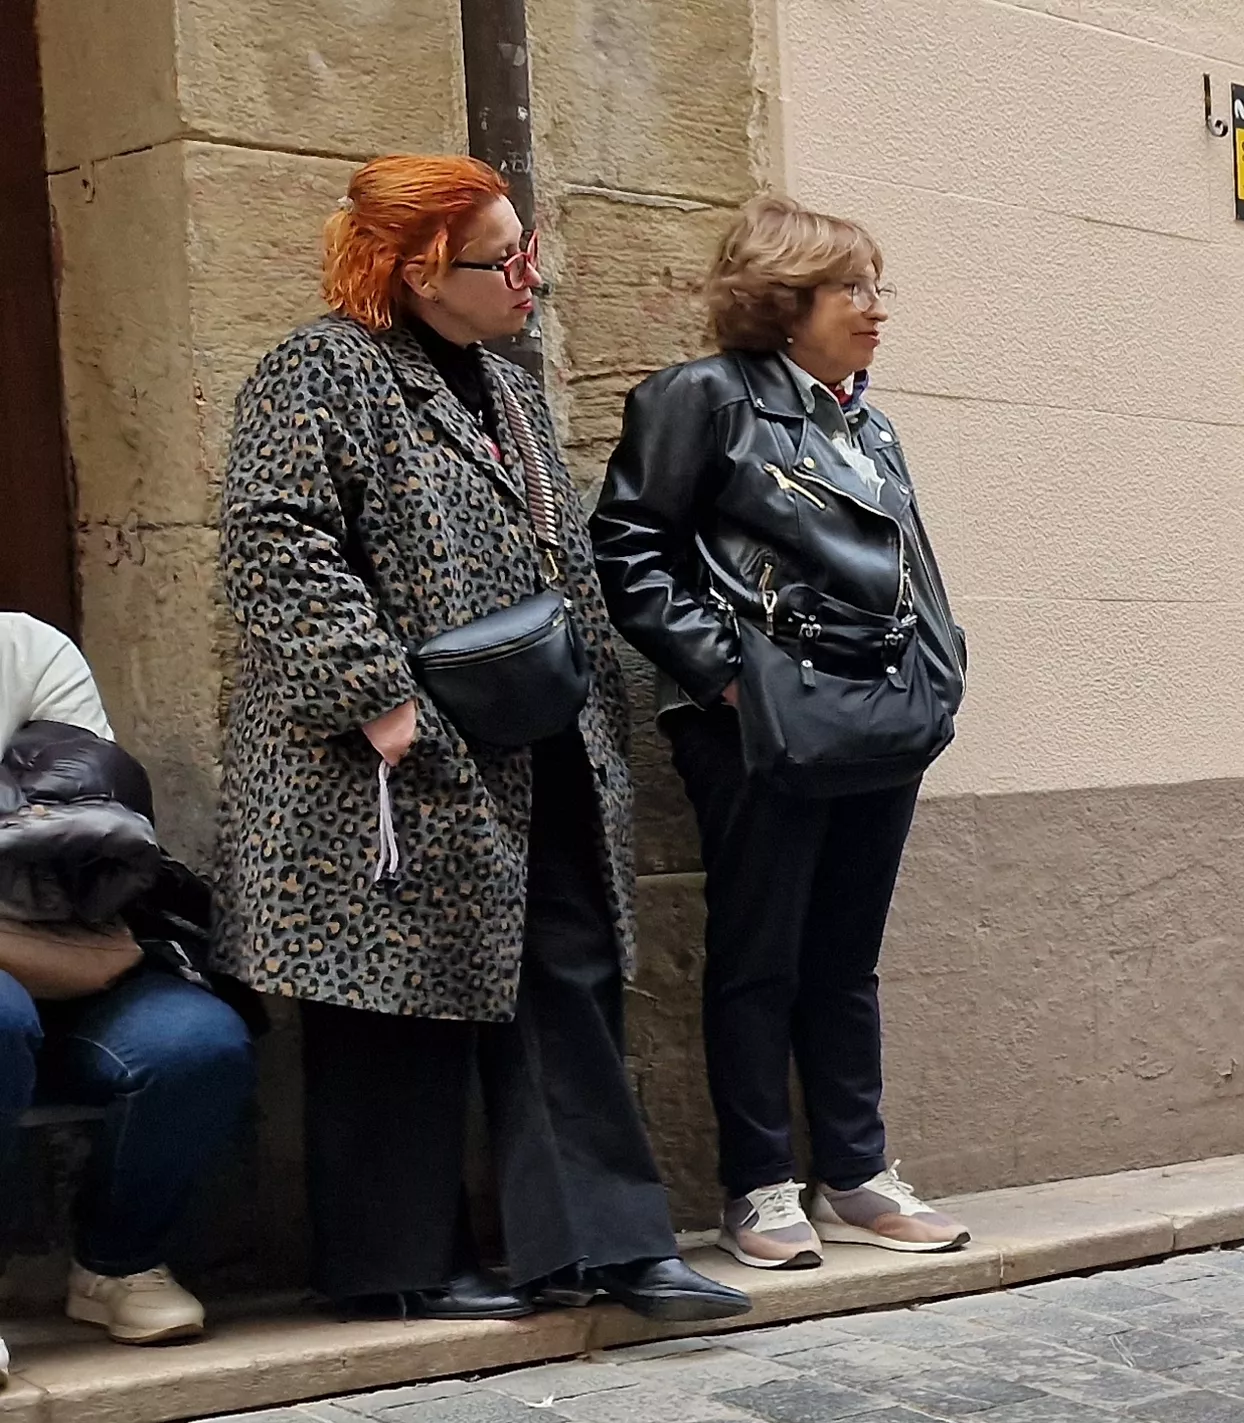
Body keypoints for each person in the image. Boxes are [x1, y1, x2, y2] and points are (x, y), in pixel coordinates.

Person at [218, 155, 744, 1323]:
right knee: (390, 1000)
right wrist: (375, 696)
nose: (531, 273)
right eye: (502, 256)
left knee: (567, 977)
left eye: (526, 245)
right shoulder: (317, 372)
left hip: (530, 736)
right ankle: (392, 1267)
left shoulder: (499, 384)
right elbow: (275, 543)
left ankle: (608, 1247)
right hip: (376, 759)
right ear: (416, 270)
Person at [587, 194, 974, 1271]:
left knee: (844, 958)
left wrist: (940, 676)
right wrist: (722, 681)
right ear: (784, 300)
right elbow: (626, 548)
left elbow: (906, 566)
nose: (874, 309)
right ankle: (756, 1187)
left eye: (873, 286)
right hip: (755, 725)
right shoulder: (700, 399)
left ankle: (856, 1171)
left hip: (878, 713)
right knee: (758, 957)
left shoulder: (868, 419)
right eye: (853, 288)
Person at [0, 616, 255, 1352]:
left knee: (196, 1041)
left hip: (70, 950)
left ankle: (116, 1263)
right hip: (31, 961)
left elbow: (89, 841)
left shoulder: (27, 647)